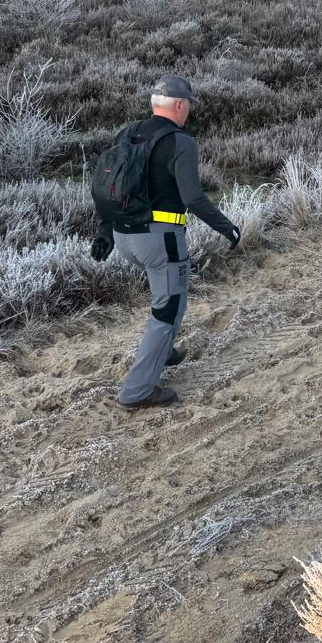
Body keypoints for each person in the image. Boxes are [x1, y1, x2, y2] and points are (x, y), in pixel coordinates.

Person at [91, 75, 241, 411]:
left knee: (173, 295)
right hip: (161, 242)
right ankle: (138, 391)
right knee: (167, 308)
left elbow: (110, 187)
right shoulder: (180, 142)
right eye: (188, 105)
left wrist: (105, 230)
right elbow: (193, 198)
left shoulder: (127, 133)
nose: (189, 111)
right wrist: (228, 228)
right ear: (179, 105)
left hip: (124, 237)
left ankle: (163, 351)